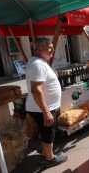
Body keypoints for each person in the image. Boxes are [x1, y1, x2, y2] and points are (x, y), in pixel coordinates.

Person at [26, 38, 68, 168]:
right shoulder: (38, 64)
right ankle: (50, 159)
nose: (53, 50)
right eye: (49, 47)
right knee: (48, 132)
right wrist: (46, 112)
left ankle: (46, 152)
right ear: (39, 49)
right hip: (42, 109)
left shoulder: (39, 62)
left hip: (43, 107)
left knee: (46, 131)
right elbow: (36, 90)